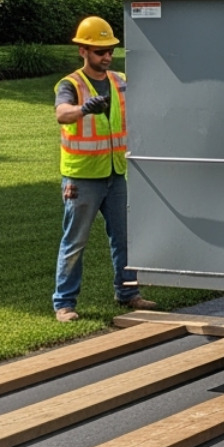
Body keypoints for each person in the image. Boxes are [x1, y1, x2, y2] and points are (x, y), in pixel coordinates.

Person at [51, 16, 154, 322]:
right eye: (100, 51)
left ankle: (128, 293)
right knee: (75, 242)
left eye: (110, 50)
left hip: (115, 174)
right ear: (82, 51)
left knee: (125, 239)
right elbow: (62, 114)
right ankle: (64, 303)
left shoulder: (119, 81)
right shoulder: (70, 85)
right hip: (81, 179)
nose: (107, 56)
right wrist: (84, 108)